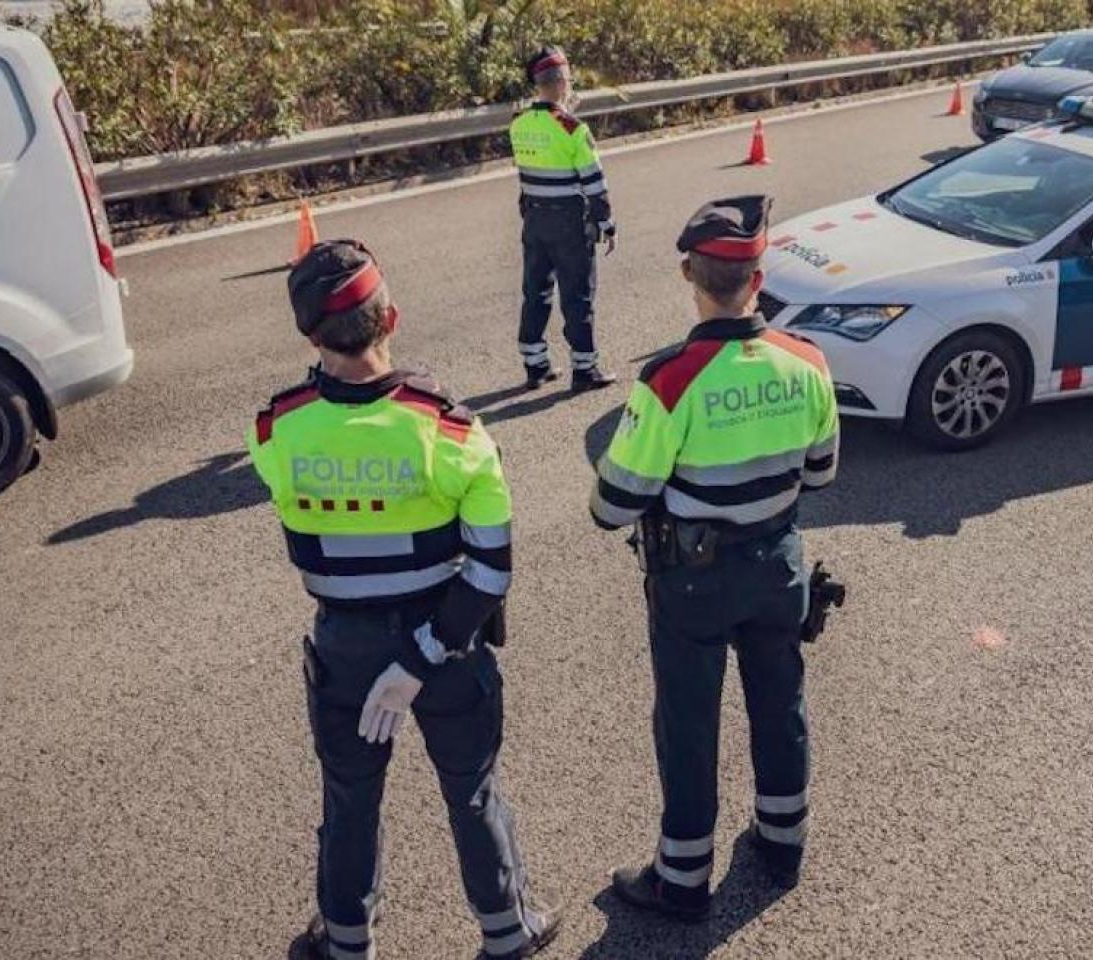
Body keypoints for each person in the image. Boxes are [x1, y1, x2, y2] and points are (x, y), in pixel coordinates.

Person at [248, 240, 561, 960]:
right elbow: (491, 571)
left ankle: (347, 941)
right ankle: (507, 930)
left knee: (349, 798)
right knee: (471, 788)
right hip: (447, 642)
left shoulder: (274, 430)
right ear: (391, 318)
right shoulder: (450, 430)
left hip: (343, 648)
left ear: (310, 336)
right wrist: (421, 656)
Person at [589, 195, 840, 920]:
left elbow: (613, 505)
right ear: (758, 279)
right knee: (780, 703)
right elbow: (821, 472)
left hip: (693, 582)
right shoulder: (808, 362)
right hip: (778, 565)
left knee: (689, 726)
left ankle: (682, 881)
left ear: (689, 276)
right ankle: (783, 843)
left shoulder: (671, 378)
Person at [508, 44, 617, 392]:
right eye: (569, 80)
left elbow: (530, 169)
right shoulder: (573, 128)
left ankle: (535, 365)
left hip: (534, 219)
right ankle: (584, 369)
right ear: (560, 82)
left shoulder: (518, 124)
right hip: (569, 222)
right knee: (578, 295)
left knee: (535, 292)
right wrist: (606, 223)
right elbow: (594, 182)